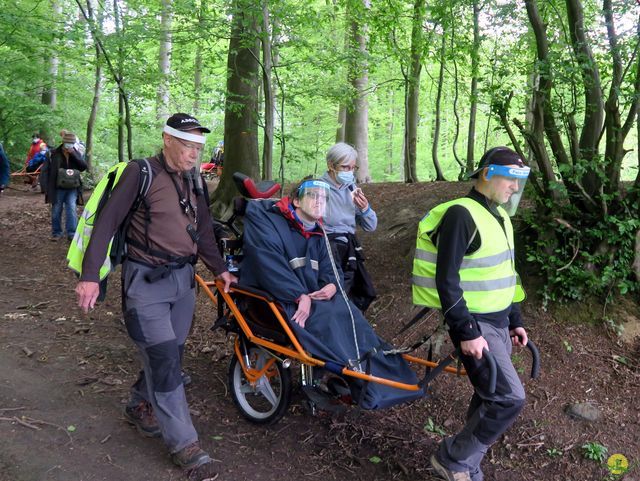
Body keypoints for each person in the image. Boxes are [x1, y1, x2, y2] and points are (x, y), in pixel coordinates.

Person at [74, 113, 236, 479]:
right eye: (187, 145)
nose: (194, 153)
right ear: (167, 139)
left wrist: (219, 269)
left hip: (183, 282)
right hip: (145, 283)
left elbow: (205, 230)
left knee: (170, 355)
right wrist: (89, 277)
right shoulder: (140, 172)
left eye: (198, 147)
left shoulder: (194, 180)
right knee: (164, 360)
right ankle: (185, 446)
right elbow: (107, 223)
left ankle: (137, 405)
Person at [240, 179, 421, 409]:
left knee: (352, 317)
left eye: (324, 198)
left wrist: (333, 286)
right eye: (312, 196)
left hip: (314, 298)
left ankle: (389, 377)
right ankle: (364, 383)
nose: (319, 201)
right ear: (296, 201)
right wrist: (299, 296)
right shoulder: (270, 224)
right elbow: (268, 265)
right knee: (332, 322)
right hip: (281, 299)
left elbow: (331, 268)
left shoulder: (318, 232)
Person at [412, 146, 531, 481]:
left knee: (489, 395)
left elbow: (505, 275)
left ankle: (467, 464)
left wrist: (515, 320)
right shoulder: (462, 214)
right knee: (509, 398)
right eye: (511, 179)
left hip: (498, 322)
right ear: (488, 174)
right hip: (475, 324)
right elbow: (446, 279)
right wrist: (466, 332)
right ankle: (452, 459)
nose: (515, 188)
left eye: (520, 181)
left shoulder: (500, 215)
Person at [320, 142, 377, 312]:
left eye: (353, 168)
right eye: (345, 167)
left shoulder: (352, 189)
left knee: (362, 292)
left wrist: (365, 208)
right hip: (327, 248)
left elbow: (371, 225)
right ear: (331, 165)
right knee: (337, 295)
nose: (349, 172)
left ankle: (352, 328)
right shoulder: (318, 189)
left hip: (350, 248)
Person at [41, 131, 87, 241]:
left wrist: (73, 154)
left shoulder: (76, 153)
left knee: (71, 208)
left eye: (71, 144)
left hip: (72, 187)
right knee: (56, 209)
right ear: (63, 143)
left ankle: (71, 233)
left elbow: (83, 167)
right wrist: (45, 187)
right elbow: (45, 171)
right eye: (67, 144)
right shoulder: (52, 154)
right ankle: (56, 233)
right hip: (57, 187)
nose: (69, 146)